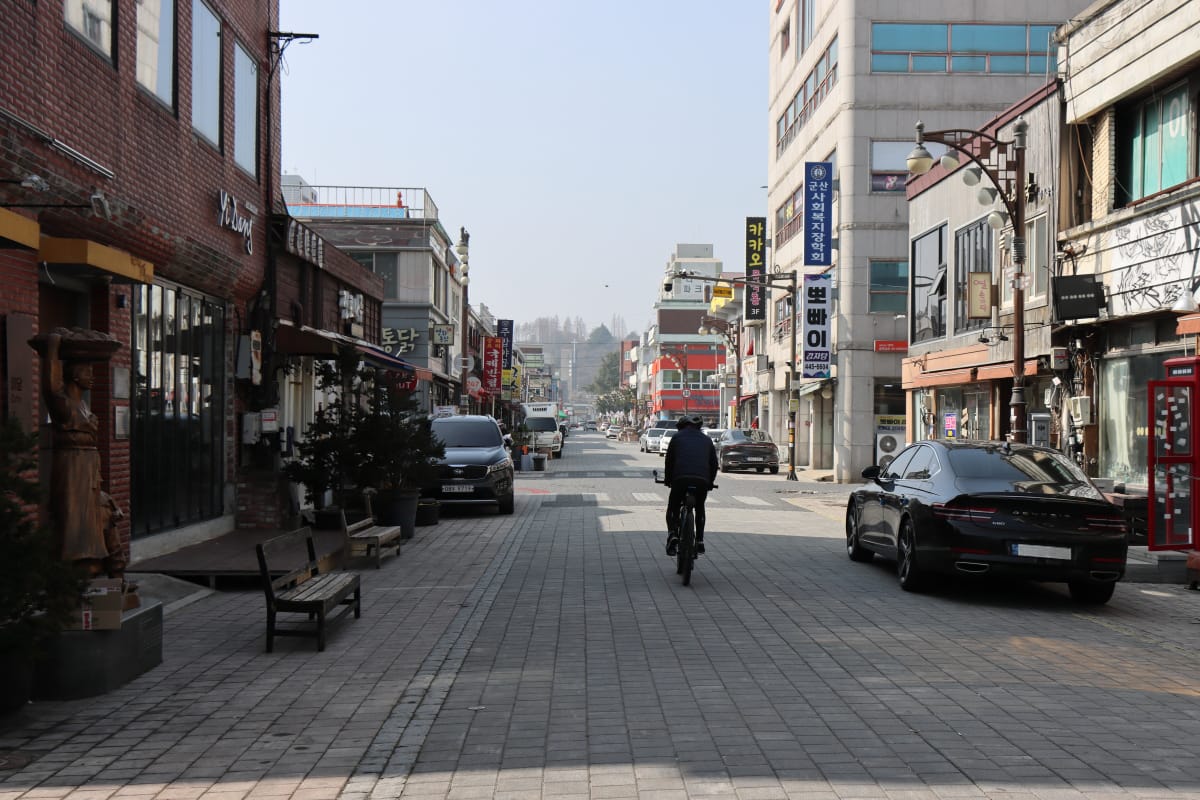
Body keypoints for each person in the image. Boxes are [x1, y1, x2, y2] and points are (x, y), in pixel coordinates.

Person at [42, 332, 125, 578]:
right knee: (75, 519)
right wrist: (53, 350)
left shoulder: (85, 406)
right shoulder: (63, 404)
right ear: (74, 375)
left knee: (104, 512)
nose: (92, 376)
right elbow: (50, 386)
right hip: (72, 468)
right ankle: (78, 567)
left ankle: (112, 573)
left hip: (89, 469)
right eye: (88, 371)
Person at [663, 414, 718, 556]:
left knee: (673, 506)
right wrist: (710, 482)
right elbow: (714, 464)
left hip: (680, 479)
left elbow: (669, 462)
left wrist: (668, 480)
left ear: (681, 427)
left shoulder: (676, 438)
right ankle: (699, 541)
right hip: (702, 481)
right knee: (699, 508)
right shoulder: (707, 440)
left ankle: (672, 534)